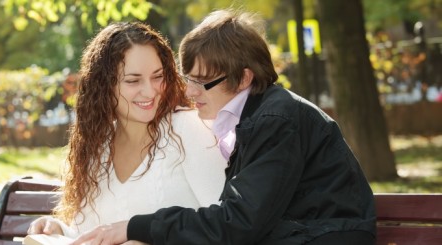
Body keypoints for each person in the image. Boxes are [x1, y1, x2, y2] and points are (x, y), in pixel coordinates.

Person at [72, 9, 376, 245]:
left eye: (203, 83)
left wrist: (135, 227)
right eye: (188, 79)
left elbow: (236, 223)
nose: (189, 93)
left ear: (243, 79)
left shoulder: (277, 121)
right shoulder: (253, 120)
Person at [27, 22, 227, 238]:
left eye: (158, 77)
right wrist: (59, 231)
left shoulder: (187, 129)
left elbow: (227, 228)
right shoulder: (98, 147)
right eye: (133, 80)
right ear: (104, 86)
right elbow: (92, 234)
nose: (150, 91)